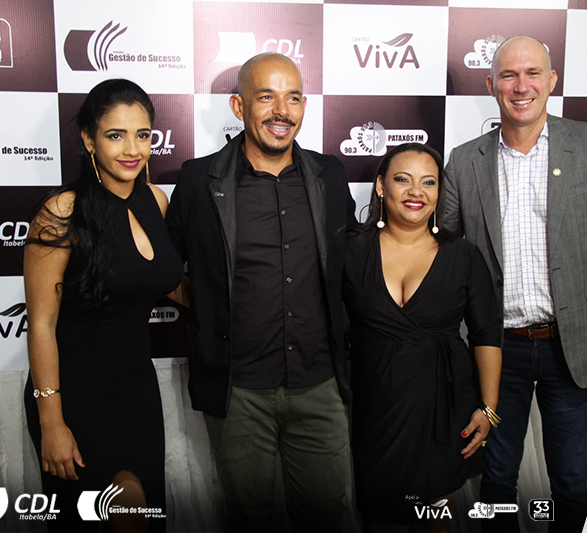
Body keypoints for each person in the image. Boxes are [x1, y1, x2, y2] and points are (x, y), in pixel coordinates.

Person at [444, 36, 587, 532]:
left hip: (572, 345)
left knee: (567, 482)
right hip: (497, 353)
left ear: (552, 80)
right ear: (491, 84)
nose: (522, 86)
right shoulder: (464, 159)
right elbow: (445, 259)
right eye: (510, 76)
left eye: (533, 73)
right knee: (495, 480)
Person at [165, 52, 354, 532]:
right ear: (237, 106)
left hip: (319, 385)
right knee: (249, 519)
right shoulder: (197, 180)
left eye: (293, 97)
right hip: (238, 389)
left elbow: (355, 264)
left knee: (326, 518)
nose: (281, 111)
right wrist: (207, 306)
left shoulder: (329, 176)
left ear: (305, 105)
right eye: (266, 96)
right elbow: (164, 271)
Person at [23, 79, 183, 532]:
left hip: (135, 388)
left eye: (143, 134)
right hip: (75, 392)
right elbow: (40, 325)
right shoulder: (61, 213)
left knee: (143, 516)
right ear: (88, 139)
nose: (133, 148)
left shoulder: (156, 199)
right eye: (116, 135)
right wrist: (51, 422)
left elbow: (157, 280)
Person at [343, 143, 503, 532]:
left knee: (434, 519)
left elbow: (486, 333)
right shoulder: (348, 250)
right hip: (376, 408)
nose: (417, 192)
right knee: (380, 519)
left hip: (443, 408)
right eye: (403, 179)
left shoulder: (463, 256)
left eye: (428, 182)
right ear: (381, 187)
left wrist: (489, 409)